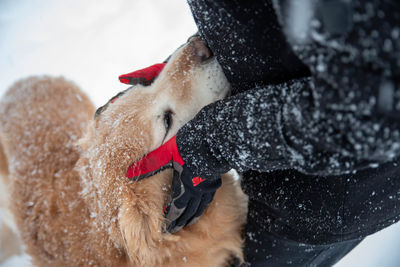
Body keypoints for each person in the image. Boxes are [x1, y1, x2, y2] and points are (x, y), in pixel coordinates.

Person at [128, 1, 400, 266]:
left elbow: (370, 111)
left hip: (329, 194)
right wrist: (204, 56)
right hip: (271, 152)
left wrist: (212, 142)